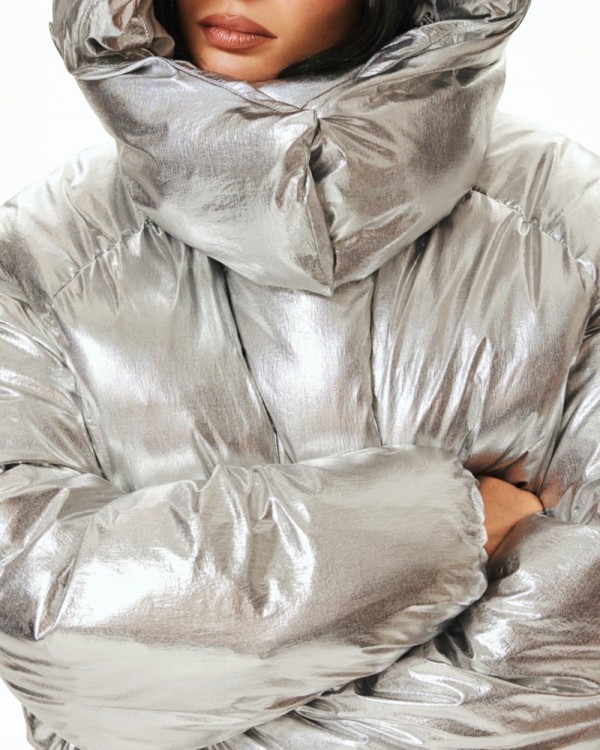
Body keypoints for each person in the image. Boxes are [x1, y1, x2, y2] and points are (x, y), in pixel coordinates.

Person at [0, 0, 598, 748]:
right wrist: (444, 527)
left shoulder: (569, 229)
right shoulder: (41, 258)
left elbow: (578, 655)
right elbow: (44, 617)